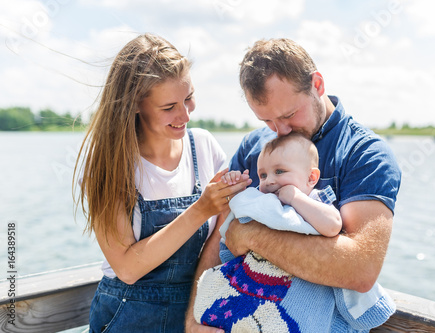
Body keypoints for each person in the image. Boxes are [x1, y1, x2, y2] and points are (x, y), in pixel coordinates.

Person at [186, 37, 401, 332]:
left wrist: (250, 235)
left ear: (318, 85)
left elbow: (360, 270)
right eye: (268, 121)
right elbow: (220, 232)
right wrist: (192, 320)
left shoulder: (365, 154)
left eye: (289, 115)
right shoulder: (255, 146)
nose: (281, 130)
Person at [73, 33, 250, 333]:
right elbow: (127, 268)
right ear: (135, 105)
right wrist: (200, 209)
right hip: (128, 318)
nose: (185, 114)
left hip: (196, 314)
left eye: (189, 98)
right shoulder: (109, 164)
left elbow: (224, 235)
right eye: (169, 107)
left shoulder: (204, 146)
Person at [193, 133, 395, 332]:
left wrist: (295, 198)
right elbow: (233, 232)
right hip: (258, 286)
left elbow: (333, 225)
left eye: (280, 171)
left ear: (311, 177)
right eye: (262, 175)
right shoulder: (263, 202)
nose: (269, 181)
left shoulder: (314, 201)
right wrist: (236, 188)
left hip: (298, 295)